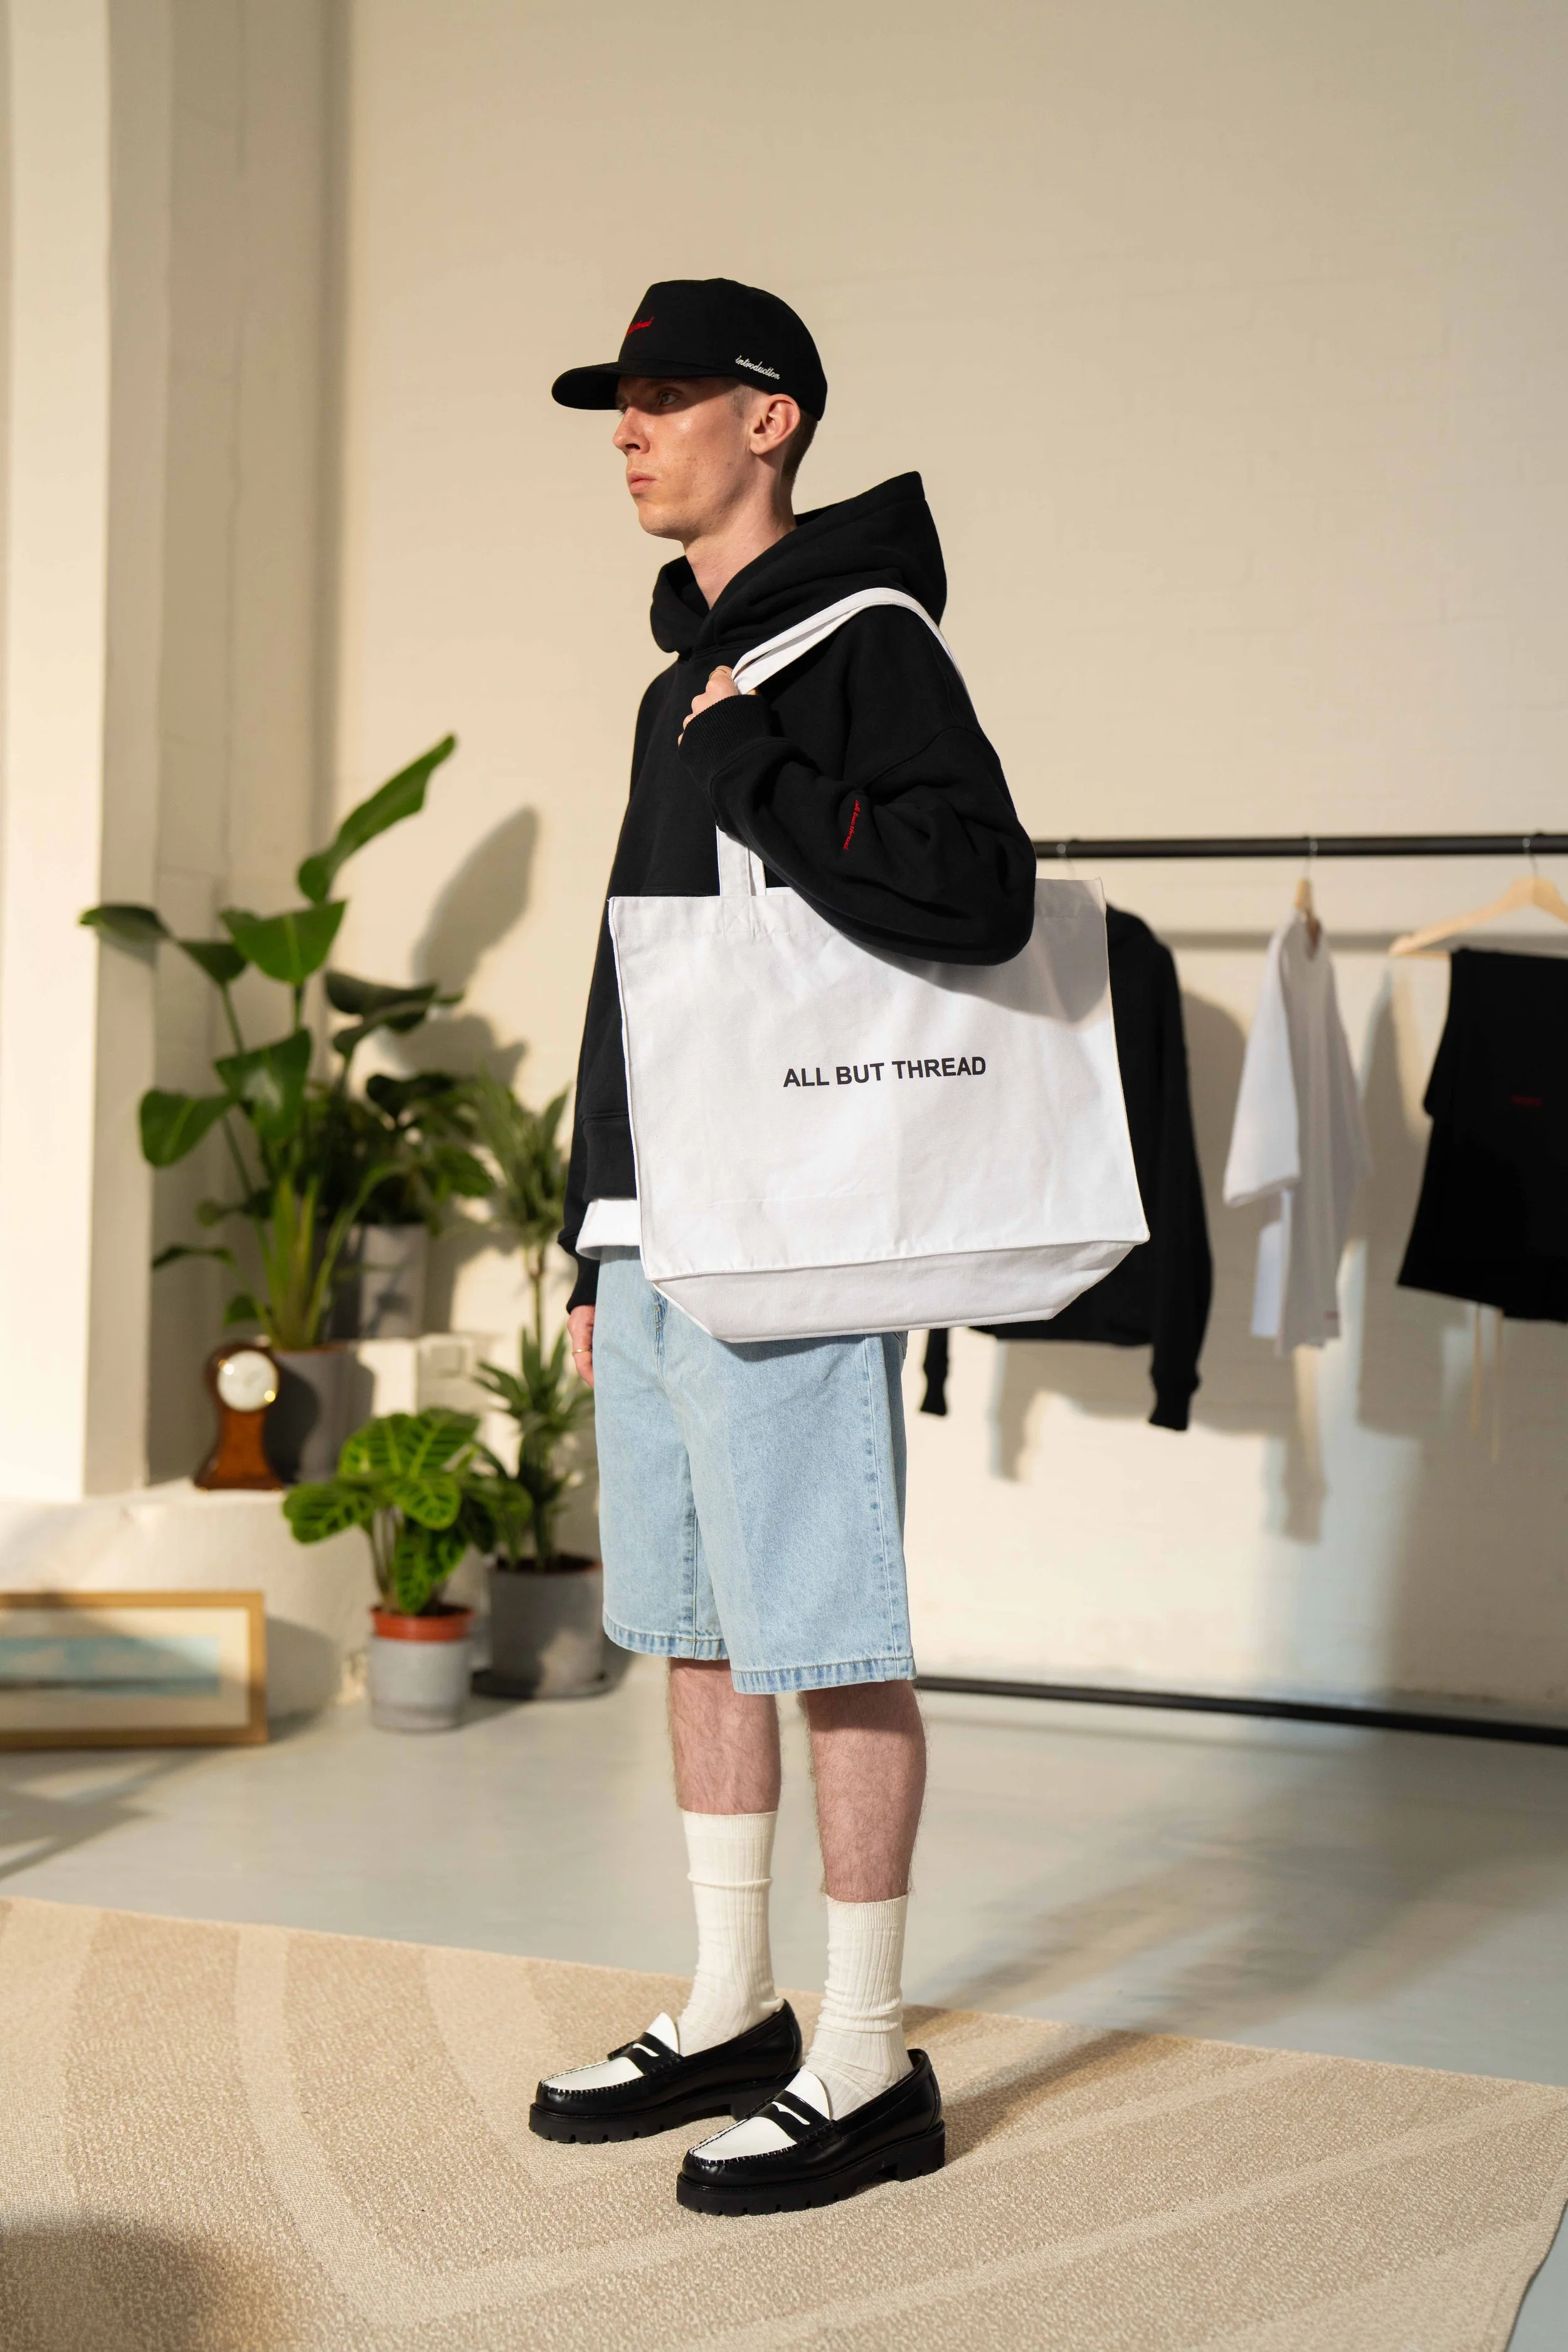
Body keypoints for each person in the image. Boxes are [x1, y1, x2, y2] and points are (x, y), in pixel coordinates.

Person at [529, 278, 1036, 2215]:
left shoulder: (865, 640)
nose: (627, 429)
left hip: (795, 1226)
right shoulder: (680, 678)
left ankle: (866, 2051)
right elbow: (630, 972)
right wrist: (592, 1229)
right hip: (663, 1222)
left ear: (775, 419)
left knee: (822, 1625)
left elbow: (977, 889)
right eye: (619, 402)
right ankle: (734, 1998)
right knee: (695, 1622)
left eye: (663, 397)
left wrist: (761, 770)